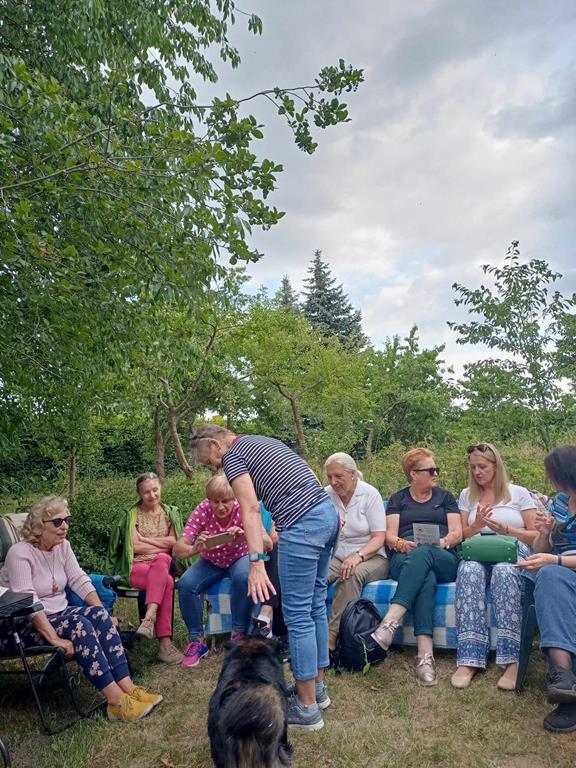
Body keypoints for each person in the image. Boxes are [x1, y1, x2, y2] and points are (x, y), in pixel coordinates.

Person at [190, 425, 339, 732]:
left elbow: (250, 508)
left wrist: (256, 562)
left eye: (210, 463)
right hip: (327, 516)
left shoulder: (233, 457)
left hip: (302, 526)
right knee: (313, 608)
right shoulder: (262, 441)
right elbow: (308, 475)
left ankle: (307, 707)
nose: (215, 468)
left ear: (217, 446)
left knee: (297, 616)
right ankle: (317, 690)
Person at [0, 496, 161, 722]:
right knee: (80, 625)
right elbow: (29, 602)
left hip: (57, 615)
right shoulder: (20, 553)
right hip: (19, 625)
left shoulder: (62, 546)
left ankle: (128, 686)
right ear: (38, 525)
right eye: (57, 522)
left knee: (97, 615)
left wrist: (103, 612)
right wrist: (55, 639)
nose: (64, 526)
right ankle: (115, 701)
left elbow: (79, 580)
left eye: (67, 520)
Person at [371, 448, 462, 686]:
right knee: (426, 577)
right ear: (413, 474)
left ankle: (390, 621)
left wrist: (443, 542)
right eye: (430, 470)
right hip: (406, 555)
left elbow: (457, 533)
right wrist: (402, 543)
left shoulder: (445, 497)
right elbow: (389, 537)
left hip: (442, 555)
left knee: (426, 556)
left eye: (436, 469)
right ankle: (425, 655)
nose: (435, 474)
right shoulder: (398, 499)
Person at [452, 443, 537, 691]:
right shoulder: (467, 495)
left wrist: (507, 529)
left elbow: (535, 536)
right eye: (473, 467)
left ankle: (513, 659)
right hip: (477, 549)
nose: (477, 472)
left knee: (504, 571)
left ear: (495, 466)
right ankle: (469, 658)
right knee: (468, 570)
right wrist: (476, 525)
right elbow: (461, 536)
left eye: (482, 466)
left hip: (512, 548)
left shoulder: (518, 493)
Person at [173, 474, 271, 669]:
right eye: (215, 502)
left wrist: (245, 536)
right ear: (208, 500)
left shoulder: (244, 508)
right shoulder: (202, 510)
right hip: (211, 560)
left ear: (234, 499)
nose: (220, 507)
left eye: (225, 501)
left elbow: (267, 544)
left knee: (244, 577)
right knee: (186, 584)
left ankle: (238, 633)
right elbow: (177, 549)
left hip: (239, 556)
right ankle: (197, 641)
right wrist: (195, 548)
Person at [516, 444, 576, 733]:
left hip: (566, 568)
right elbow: (541, 549)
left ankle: (566, 686)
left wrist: (556, 559)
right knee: (550, 577)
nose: (549, 479)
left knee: (552, 572)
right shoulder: (559, 502)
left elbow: (554, 558)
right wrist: (545, 534)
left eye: (551, 474)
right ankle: (563, 679)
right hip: (561, 575)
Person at [106, 472, 185, 664]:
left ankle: (149, 618)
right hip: (135, 567)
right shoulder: (132, 515)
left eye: (155, 490)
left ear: (161, 488)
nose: (152, 495)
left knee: (163, 562)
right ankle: (165, 646)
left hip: (160, 564)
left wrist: (145, 540)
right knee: (165, 576)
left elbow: (174, 543)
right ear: (139, 494)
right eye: (146, 492)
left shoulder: (170, 513)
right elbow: (136, 547)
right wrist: (160, 543)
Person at [324, 452, 388, 656]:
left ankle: (332, 638)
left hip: (373, 555)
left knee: (349, 574)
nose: (333, 482)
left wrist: (358, 556)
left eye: (338, 476)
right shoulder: (326, 494)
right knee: (314, 576)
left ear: (352, 474)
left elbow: (379, 537)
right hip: (336, 553)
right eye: (330, 477)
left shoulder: (370, 494)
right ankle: (303, 634)